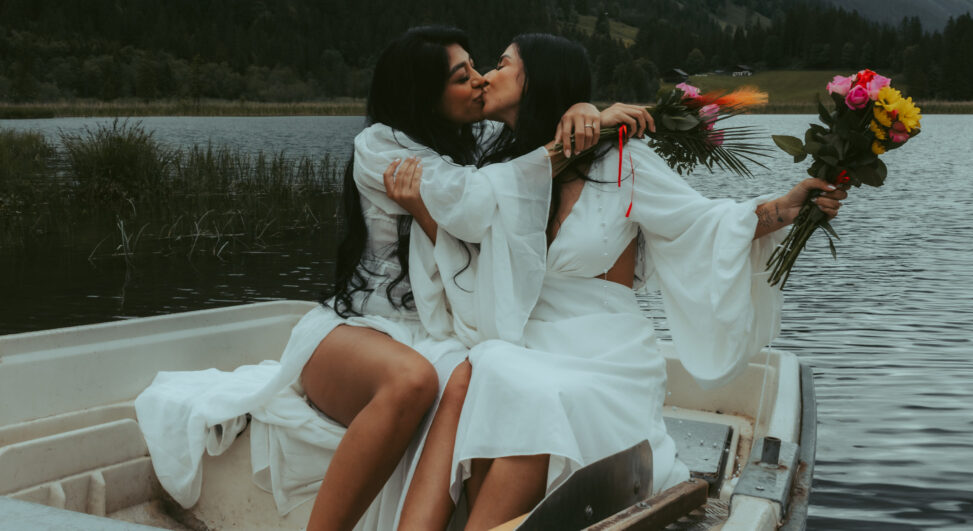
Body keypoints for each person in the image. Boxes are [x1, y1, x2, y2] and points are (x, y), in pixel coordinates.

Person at [134, 26, 631, 531]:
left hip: (433, 331)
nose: (481, 82)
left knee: (487, 375)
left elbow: (511, 159)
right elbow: (476, 202)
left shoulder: (476, 145)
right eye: (463, 77)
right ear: (424, 93)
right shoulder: (380, 147)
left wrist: (581, 110)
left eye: (480, 69)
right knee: (412, 380)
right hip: (360, 329)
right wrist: (563, 147)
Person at [389, 33, 848, 530]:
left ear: (538, 78)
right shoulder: (502, 175)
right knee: (487, 368)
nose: (487, 76)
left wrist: (784, 209)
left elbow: (702, 222)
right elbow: (467, 261)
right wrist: (418, 206)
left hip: (605, 348)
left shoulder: (620, 163)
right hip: (526, 337)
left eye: (502, 64)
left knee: (511, 380)